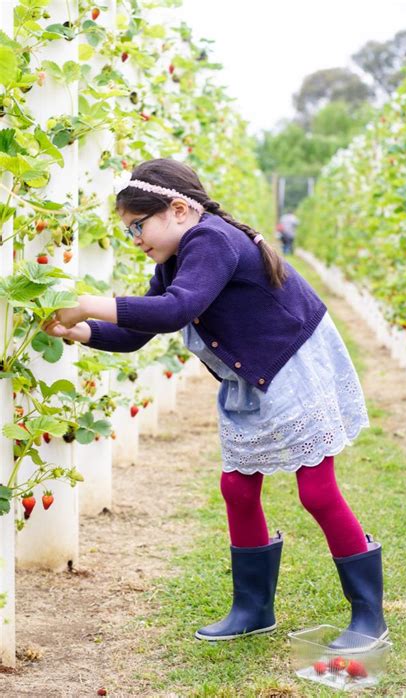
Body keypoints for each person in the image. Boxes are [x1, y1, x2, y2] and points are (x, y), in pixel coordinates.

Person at [43, 158, 388, 648]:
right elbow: (140, 330)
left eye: (138, 226)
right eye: (129, 231)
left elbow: (176, 311)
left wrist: (88, 301)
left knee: (316, 489)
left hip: (291, 365)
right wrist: (83, 331)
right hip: (252, 373)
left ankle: (368, 615)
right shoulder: (175, 257)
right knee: (238, 488)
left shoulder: (210, 240)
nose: (135, 239)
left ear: (179, 210)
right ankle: (252, 608)